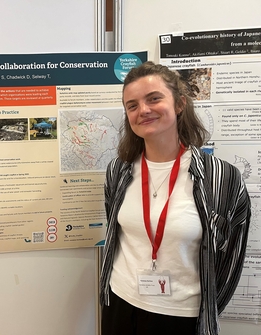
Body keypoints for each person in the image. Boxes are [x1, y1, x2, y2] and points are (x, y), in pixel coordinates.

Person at [100, 61, 251, 335]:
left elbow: (232, 257)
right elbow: (116, 228)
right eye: (132, 105)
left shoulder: (221, 178)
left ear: (179, 104)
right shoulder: (118, 171)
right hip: (120, 302)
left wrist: (209, 310)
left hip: (181, 315)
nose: (143, 110)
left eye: (154, 99)